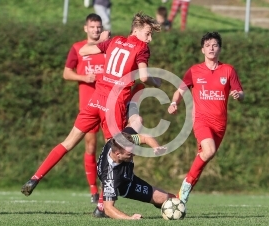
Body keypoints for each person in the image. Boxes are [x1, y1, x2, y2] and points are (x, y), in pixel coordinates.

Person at [21, 12, 161, 197]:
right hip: (113, 104)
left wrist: (101, 40)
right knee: (113, 153)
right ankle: (103, 204)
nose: (149, 39)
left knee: (68, 143)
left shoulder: (115, 40)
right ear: (136, 29)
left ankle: (35, 178)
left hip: (96, 99)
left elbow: (84, 51)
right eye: (148, 33)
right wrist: (156, 81)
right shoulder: (141, 47)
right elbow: (143, 76)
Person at [167, 32, 244, 204]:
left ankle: (182, 196)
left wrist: (238, 95)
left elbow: (241, 92)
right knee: (208, 151)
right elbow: (180, 90)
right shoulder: (194, 71)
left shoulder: (228, 70)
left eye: (215, 45)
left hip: (220, 125)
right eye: (208, 45)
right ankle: (186, 184)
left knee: (204, 157)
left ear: (220, 49)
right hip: (201, 120)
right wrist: (174, 103)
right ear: (202, 49)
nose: (211, 48)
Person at [63, 13, 108, 204]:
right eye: (92, 27)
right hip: (88, 105)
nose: (96, 30)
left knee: (111, 148)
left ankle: (108, 190)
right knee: (90, 145)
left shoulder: (107, 47)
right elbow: (66, 73)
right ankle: (93, 190)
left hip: (107, 103)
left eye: (98, 27)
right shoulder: (78, 48)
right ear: (86, 28)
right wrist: (83, 78)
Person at [92, 128, 175, 219]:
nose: (134, 155)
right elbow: (108, 209)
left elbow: (144, 137)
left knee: (170, 199)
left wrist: (156, 147)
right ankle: (99, 209)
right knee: (162, 199)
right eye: (130, 154)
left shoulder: (121, 140)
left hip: (128, 176)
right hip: (126, 186)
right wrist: (130, 218)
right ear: (117, 154)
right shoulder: (110, 177)